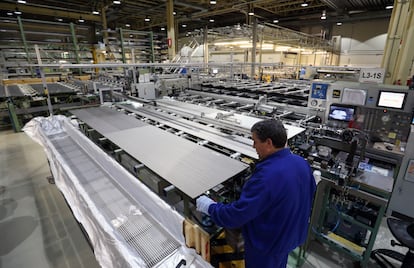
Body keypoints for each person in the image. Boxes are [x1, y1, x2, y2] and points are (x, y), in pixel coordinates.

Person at [196, 119, 316, 268]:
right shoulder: (301, 163)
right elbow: (309, 193)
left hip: (266, 246)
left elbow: (237, 216)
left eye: (255, 141)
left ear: (268, 143)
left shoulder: (265, 177)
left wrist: (209, 207)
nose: (253, 146)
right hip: (290, 236)